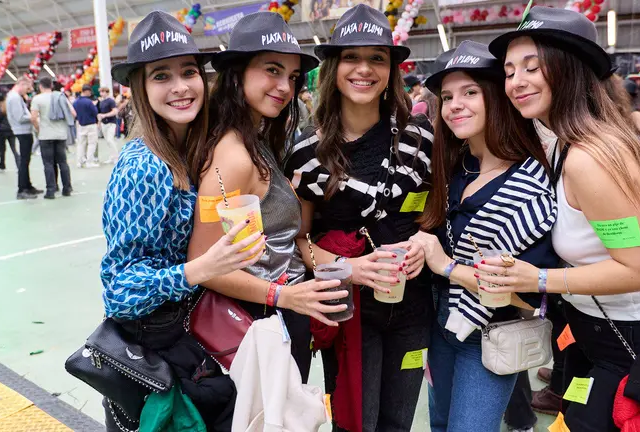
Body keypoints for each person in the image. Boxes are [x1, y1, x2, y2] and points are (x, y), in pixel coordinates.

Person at [487, 6, 640, 430]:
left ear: (569, 69)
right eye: (508, 71)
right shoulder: (565, 143)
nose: (515, 82)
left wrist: (537, 279)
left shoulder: (589, 159)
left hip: (637, 338)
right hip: (595, 330)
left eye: (531, 67)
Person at [101, 11, 265, 431]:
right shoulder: (144, 167)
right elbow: (119, 291)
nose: (179, 87)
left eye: (188, 72)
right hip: (156, 358)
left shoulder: (192, 150)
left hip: (189, 342)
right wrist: (200, 269)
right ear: (140, 87)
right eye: (161, 76)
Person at [284, 5, 431, 431]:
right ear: (334, 67)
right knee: (355, 421)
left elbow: (432, 217)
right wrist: (349, 267)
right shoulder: (306, 151)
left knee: (398, 420)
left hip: (412, 309)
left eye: (377, 59)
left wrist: (424, 244)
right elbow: (300, 240)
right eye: (351, 57)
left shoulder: (420, 138)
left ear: (391, 70)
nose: (363, 69)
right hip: (348, 311)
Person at [408, 40, 558, 432]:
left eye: (470, 92)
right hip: (441, 323)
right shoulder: (456, 169)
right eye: (447, 96)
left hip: (491, 331)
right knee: (439, 424)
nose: (455, 104)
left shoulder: (530, 185)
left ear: (495, 96)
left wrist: (445, 265)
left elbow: (532, 295)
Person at [186, 11, 345, 382]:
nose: (286, 87)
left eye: (291, 76)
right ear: (238, 72)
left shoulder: (253, 140)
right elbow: (205, 264)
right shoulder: (235, 156)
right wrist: (284, 297)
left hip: (278, 316)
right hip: (263, 322)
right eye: (272, 70)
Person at [30, 77, 73, 199]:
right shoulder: (61, 97)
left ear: (40, 86)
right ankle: (67, 188)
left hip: (46, 135)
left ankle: (51, 191)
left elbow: (33, 118)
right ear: (51, 86)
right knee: (63, 162)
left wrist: (39, 129)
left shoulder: (37, 99)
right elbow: (72, 113)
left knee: (48, 163)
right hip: (61, 135)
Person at [7, 76, 43, 199]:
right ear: (21, 84)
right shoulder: (15, 98)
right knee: (23, 161)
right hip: (22, 132)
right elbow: (20, 117)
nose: (27, 91)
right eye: (27, 88)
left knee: (26, 160)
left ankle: (28, 186)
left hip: (24, 132)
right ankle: (22, 189)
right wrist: (34, 118)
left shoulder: (16, 97)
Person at [72, 85, 99, 168]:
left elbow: (74, 113)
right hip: (91, 125)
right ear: (86, 91)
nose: (90, 93)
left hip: (81, 125)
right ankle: (89, 162)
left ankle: (79, 162)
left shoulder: (75, 102)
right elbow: (95, 112)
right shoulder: (89, 102)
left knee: (81, 144)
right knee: (92, 144)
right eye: (90, 92)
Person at [0, 95, 19, 172]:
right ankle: (19, 166)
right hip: (11, 130)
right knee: (14, 149)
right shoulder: (10, 108)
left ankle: (2, 166)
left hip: (1, 132)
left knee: (2, 150)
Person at [97, 87, 121, 164]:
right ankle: (112, 157)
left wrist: (105, 115)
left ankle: (116, 157)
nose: (101, 93)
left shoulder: (111, 101)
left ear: (107, 92)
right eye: (101, 92)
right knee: (108, 141)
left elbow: (115, 111)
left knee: (110, 140)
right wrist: (99, 123)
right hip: (104, 123)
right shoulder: (101, 102)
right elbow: (100, 114)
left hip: (111, 123)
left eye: (103, 91)